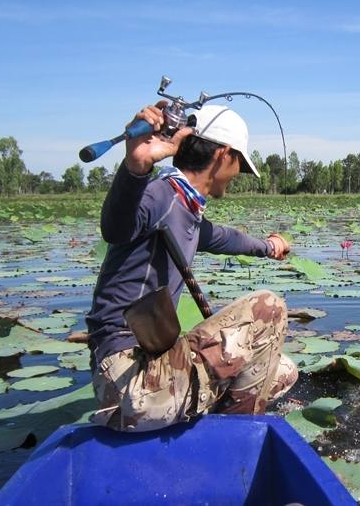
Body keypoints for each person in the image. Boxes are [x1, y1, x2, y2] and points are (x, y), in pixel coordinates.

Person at [85, 101, 297, 432]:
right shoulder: (160, 195)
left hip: (149, 371)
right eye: (239, 164)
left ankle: (206, 427)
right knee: (268, 308)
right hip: (129, 375)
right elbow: (117, 228)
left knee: (281, 370)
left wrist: (269, 247)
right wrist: (136, 168)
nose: (238, 175)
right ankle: (234, 441)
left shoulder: (186, 209)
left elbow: (225, 238)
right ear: (223, 154)